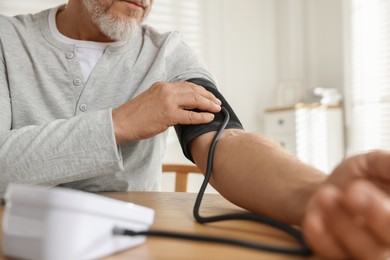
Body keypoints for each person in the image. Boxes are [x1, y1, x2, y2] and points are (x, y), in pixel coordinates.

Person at [0, 0, 389, 258]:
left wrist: (316, 194)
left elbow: (224, 140)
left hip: (127, 251)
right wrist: (120, 122)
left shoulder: (168, 52)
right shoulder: (6, 39)